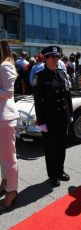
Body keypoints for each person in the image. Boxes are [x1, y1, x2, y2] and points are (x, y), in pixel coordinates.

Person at [33, 46, 74, 187]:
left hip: (63, 117)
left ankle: (60, 171)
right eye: (52, 57)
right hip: (49, 119)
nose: (55, 59)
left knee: (61, 146)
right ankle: (52, 175)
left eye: (57, 57)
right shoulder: (40, 76)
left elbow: (67, 95)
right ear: (45, 59)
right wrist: (41, 122)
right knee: (50, 148)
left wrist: (71, 114)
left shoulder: (62, 74)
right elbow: (38, 102)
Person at [0, 40, 19, 211]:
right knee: (3, 157)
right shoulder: (4, 65)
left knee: (8, 157)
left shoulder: (5, 66)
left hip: (5, 118)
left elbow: (8, 92)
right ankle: (6, 181)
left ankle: (12, 191)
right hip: (2, 117)